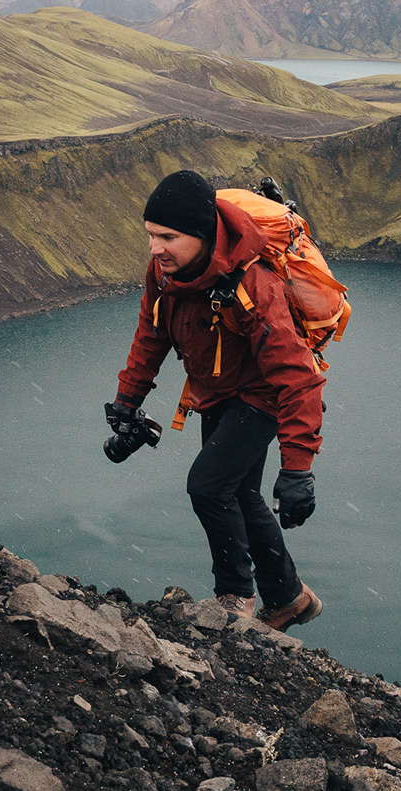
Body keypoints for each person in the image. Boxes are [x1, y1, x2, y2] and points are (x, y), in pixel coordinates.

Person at [107, 168, 324, 630]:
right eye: (150, 236)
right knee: (240, 492)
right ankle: (288, 598)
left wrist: (298, 468)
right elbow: (151, 332)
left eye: (167, 236)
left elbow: (298, 377)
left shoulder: (253, 285)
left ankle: (235, 598)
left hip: (262, 395)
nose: (155, 249)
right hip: (216, 389)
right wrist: (128, 398)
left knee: (207, 486)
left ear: (203, 235)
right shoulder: (165, 273)